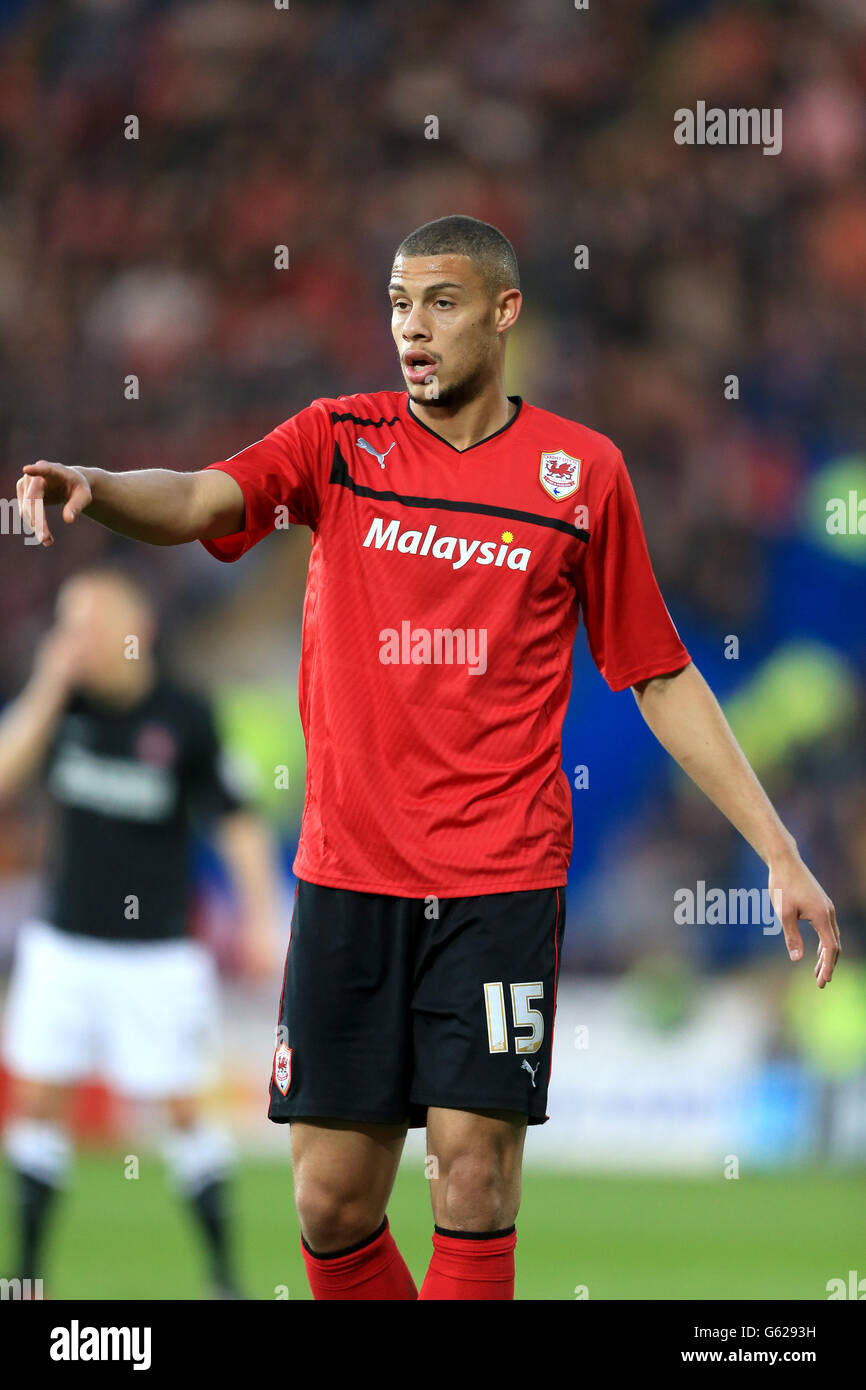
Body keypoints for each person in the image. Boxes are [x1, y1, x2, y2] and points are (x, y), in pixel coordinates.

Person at [15, 215, 841, 1302]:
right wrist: (100, 484)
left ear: (504, 313)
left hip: (498, 878)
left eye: (441, 304)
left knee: (472, 1174)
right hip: (348, 874)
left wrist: (776, 848)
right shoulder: (337, 440)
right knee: (331, 1200)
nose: (413, 327)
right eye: (400, 304)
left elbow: (658, 673)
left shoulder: (580, 474)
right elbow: (205, 496)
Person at [0, 567, 281, 1298]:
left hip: (157, 954)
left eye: (90, 625)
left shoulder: (185, 715)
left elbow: (236, 820)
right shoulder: (61, 705)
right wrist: (48, 687)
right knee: (37, 1105)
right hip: (64, 944)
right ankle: (26, 1279)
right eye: (68, 626)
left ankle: (223, 1279)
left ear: (136, 631)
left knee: (185, 1111)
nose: (77, 641)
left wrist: (259, 915)